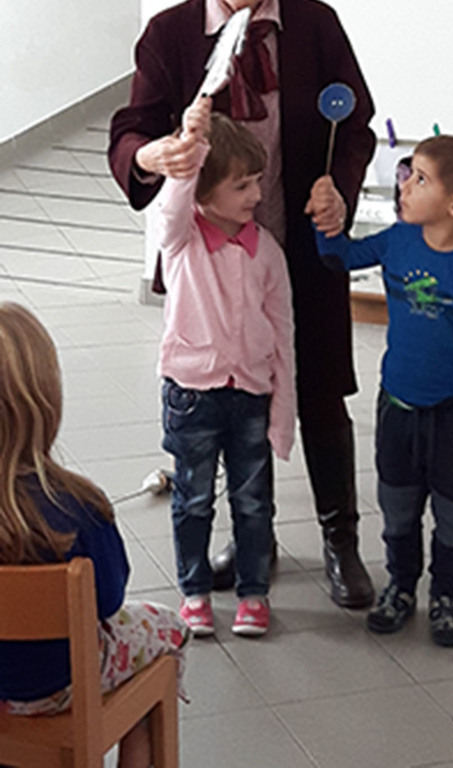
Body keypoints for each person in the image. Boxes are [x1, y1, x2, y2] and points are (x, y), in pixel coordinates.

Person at [108, 0, 376, 609]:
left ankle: (340, 541)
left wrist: (338, 188)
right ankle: (252, 540)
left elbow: (353, 125)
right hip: (213, 260)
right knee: (228, 404)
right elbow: (130, 130)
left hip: (302, 245)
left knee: (320, 389)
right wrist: (153, 154)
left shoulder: (315, 25)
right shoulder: (170, 33)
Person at [310, 135, 453, 646]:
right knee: (398, 508)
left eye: (420, 179)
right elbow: (341, 257)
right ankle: (400, 586)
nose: (404, 185)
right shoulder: (398, 240)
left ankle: (445, 594)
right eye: (408, 173)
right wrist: (325, 220)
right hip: (398, 408)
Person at [0, 303, 189, 768]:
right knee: (169, 630)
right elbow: (108, 600)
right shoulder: (77, 507)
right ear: (46, 400)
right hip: (59, 687)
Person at [158, 95, 296, 637]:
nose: (256, 195)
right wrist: (189, 148)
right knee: (193, 500)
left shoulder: (268, 252)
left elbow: (283, 336)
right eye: (241, 186)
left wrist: (282, 415)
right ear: (203, 189)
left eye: (257, 182)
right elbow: (172, 204)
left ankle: (253, 593)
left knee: (254, 503)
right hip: (191, 393)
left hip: (250, 396)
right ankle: (194, 592)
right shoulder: (182, 240)